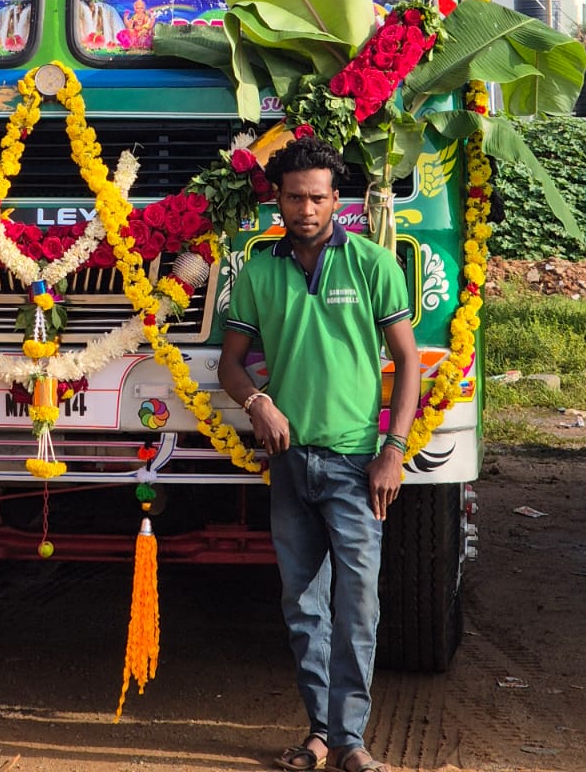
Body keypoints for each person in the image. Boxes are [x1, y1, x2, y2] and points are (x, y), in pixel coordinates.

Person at [218, 135, 421, 772]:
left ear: (338, 200)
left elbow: (409, 362)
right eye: (293, 197)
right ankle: (320, 734)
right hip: (289, 463)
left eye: (317, 197)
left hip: (358, 466)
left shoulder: (370, 264)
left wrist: (393, 451)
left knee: (357, 605)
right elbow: (230, 365)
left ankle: (351, 741)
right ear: (276, 201)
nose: (305, 208)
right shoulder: (257, 273)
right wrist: (258, 403)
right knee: (303, 606)